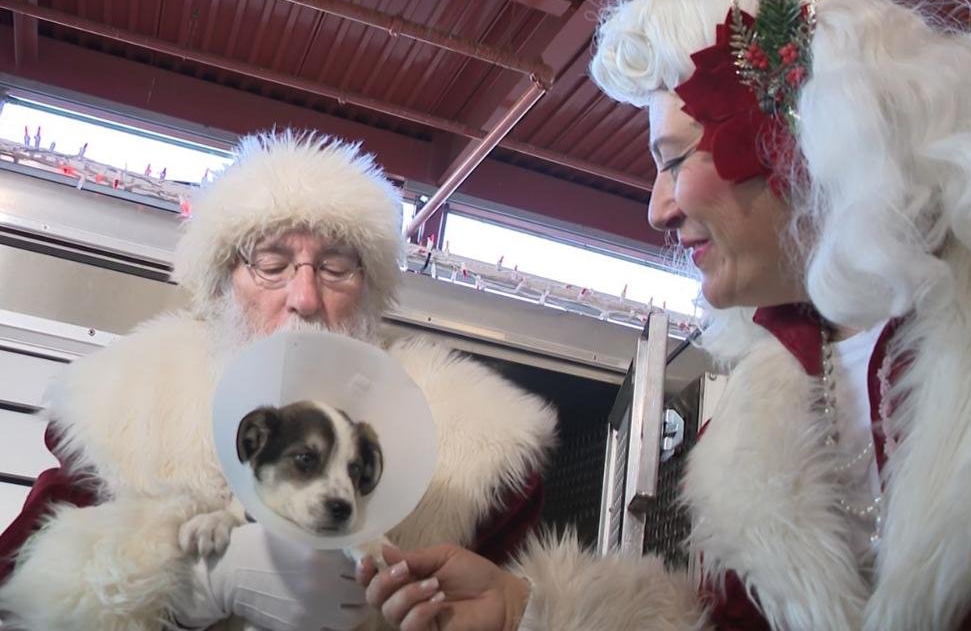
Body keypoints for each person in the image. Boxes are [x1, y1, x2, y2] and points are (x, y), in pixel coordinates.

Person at [360, 0, 971, 630]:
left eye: (671, 159)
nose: (657, 210)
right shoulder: (768, 414)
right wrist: (531, 610)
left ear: (797, 128)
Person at [0, 131, 558, 631]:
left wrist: (513, 613)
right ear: (223, 286)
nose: (306, 299)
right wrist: (193, 586)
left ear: (370, 291)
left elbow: (531, 604)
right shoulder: (128, 408)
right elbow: (21, 592)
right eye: (271, 264)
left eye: (337, 267)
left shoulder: (471, 454)